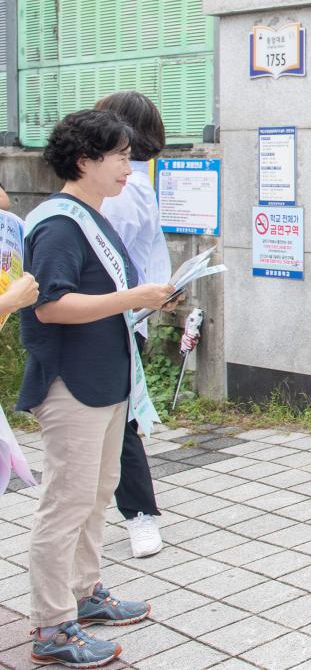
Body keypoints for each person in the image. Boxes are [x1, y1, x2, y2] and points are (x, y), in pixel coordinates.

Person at [18, 109, 179, 668]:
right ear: (84, 161)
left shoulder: (93, 215)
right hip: (72, 385)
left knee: (95, 492)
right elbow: (51, 305)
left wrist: (145, 297)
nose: (129, 170)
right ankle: (51, 625)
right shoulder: (60, 225)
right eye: (118, 157)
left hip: (107, 382)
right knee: (66, 502)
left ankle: (85, 594)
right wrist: (132, 300)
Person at [95, 91, 172, 559]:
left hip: (115, 318)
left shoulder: (127, 190)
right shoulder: (140, 182)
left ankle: (141, 516)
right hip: (123, 316)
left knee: (121, 423)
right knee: (119, 422)